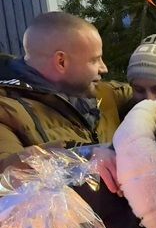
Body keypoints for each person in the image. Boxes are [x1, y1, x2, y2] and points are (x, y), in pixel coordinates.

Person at [0, 11, 127, 167]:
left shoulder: (104, 92)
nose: (104, 68)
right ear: (61, 62)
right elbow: (6, 172)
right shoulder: (7, 113)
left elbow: (149, 93)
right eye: (94, 60)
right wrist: (83, 154)